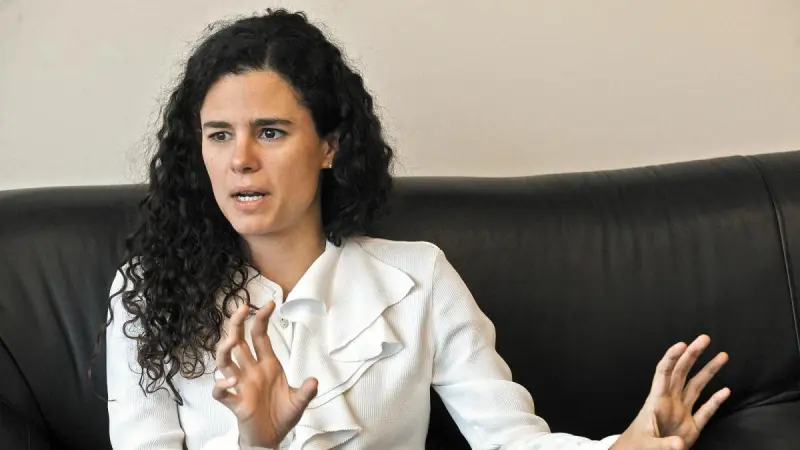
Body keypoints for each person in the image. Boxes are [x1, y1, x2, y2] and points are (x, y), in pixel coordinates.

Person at [104, 9, 730, 450]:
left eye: (270, 132)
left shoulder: (417, 278)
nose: (240, 159)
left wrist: (626, 446)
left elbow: (508, 439)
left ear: (328, 146)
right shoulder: (148, 291)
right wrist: (257, 443)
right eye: (219, 135)